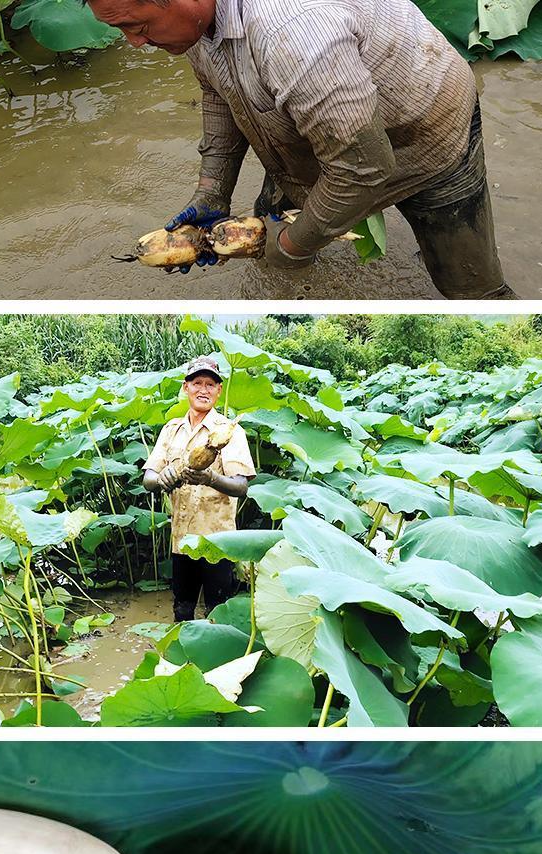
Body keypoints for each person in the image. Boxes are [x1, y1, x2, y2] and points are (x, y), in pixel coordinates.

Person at [86, 0, 516, 299]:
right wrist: (211, 192)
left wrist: (293, 245)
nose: (134, 43)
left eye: (138, 27)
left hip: (423, 134)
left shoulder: (292, 30)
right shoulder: (196, 28)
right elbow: (217, 94)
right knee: (271, 248)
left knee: (468, 283)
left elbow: (362, 168)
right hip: (308, 133)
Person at [143, 356, 256, 621]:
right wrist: (162, 479)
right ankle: (183, 659)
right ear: (186, 388)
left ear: (218, 391)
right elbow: (148, 477)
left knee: (217, 612)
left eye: (210, 384)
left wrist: (209, 478)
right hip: (182, 541)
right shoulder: (171, 430)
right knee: (182, 609)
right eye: (197, 383)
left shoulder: (229, 432)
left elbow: (241, 486)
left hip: (217, 540)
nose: (203, 389)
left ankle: (218, 661)